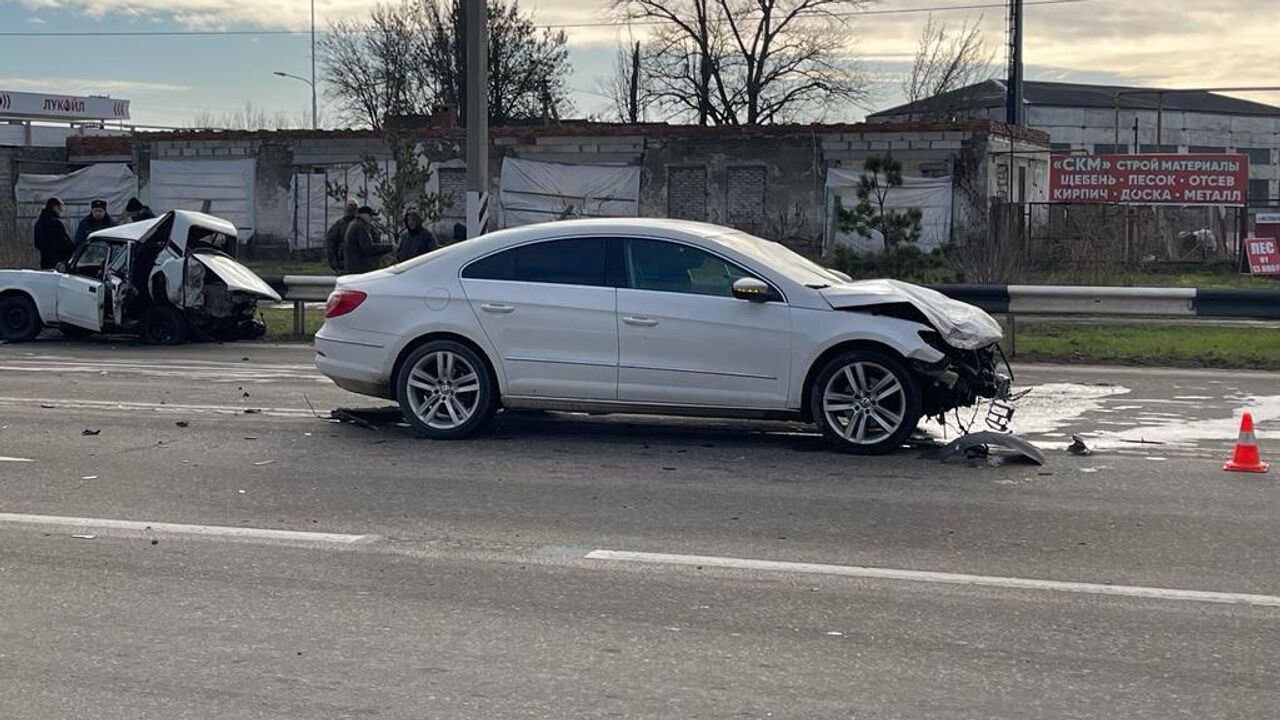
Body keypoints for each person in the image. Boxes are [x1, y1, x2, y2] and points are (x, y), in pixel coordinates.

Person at [343, 206, 393, 275]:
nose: (371, 218)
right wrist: (390, 247)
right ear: (365, 214)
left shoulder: (353, 224)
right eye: (370, 215)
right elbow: (368, 247)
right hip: (360, 268)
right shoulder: (360, 226)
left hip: (352, 267)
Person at [33, 197, 75, 270]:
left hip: (45, 260)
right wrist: (73, 250)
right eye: (60, 208)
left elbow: (37, 243)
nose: (61, 211)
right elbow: (63, 241)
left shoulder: (39, 223)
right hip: (58, 261)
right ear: (55, 207)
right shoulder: (56, 223)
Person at [325, 199, 359, 274]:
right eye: (350, 205)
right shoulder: (339, 225)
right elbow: (331, 243)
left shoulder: (361, 224)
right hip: (343, 262)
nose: (352, 208)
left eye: (355, 206)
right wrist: (334, 264)